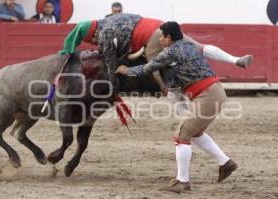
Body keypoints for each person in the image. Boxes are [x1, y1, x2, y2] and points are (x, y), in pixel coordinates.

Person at [115, 21, 238, 193]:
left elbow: (148, 68)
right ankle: (226, 163)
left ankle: (183, 181)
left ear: (169, 37)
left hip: (206, 96)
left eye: (161, 36)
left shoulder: (171, 52)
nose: (159, 39)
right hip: (214, 91)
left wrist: (126, 71)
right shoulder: (189, 44)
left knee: (182, 135)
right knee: (195, 133)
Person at [59, 14, 252, 93]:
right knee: (199, 46)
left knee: (153, 64)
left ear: (91, 34)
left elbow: (111, 66)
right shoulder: (111, 20)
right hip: (157, 25)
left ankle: (166, 91)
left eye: (91, 40)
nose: (93, 43)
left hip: (150, 37)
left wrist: (113, 83)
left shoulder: (104, 35)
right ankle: (236, 60)